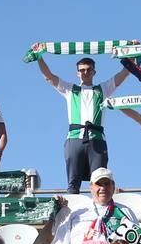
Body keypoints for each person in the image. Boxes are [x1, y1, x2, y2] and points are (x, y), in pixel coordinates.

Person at [34, 49, 133, 193]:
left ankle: (101, 212)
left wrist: (133, 54)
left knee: (100, 180)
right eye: (81, 70)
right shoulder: (70, 90)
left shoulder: (102, 89)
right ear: (77, 73)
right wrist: (39, 57)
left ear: (94, 72)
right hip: (74, 138)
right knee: (73, 181)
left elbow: (123, 74)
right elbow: (49, 76)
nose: (85, 73)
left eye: (88, 70)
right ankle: (73, 212)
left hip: (97, 139)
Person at [53, 167, 140, 244]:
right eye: (98, 184)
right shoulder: (77, 212)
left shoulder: (125, 212)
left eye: (107, 184)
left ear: (113, 186)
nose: (103, 188)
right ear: (91, 187)